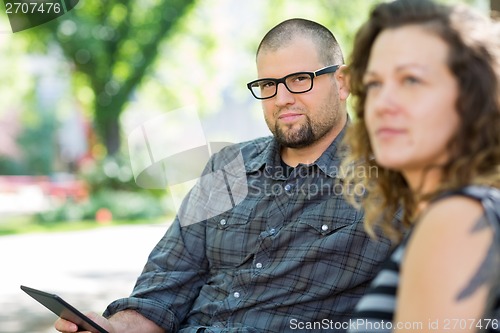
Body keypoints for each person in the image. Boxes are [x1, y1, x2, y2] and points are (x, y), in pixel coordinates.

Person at [55, 18, 393, 333]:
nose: (282, 98)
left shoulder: (393, 177)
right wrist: (113, 327)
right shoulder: (229, 166)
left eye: (300, 80)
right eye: (268, 84)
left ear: (342, 82)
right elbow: (164, 288)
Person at [341, 0, 500, 332]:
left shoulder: (458, 216)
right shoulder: (466, 211)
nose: (382, 104)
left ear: (473, 98)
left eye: (411, 80)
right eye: (374, 84)